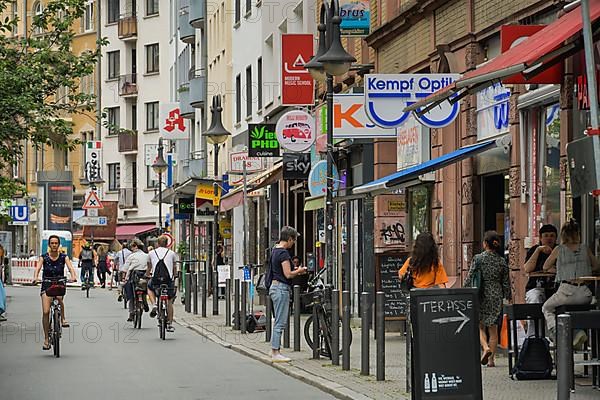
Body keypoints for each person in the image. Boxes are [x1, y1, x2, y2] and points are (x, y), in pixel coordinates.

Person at [542, 219, 600, 348]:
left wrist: (559, 269)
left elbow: (546, 266)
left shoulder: (559, 249)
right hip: (585, 295)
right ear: (578, 233)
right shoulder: (585, 248)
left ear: (563, 234)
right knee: (572, 311)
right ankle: (577, 332)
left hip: (566, 293)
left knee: (547, 307)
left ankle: (560, 334)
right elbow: (596, 266)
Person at [466, 231, 511, 367]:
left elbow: (470, 277)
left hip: (480, 294)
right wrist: (508, 296)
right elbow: (506, 283)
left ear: (485, 244)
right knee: (493, 329)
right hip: (496, 295)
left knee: (479, 325)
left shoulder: (478, 259)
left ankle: (485, 347)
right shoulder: (502, 261)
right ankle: (491, 360)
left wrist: (464, 290)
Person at [268, 226, 307, 362]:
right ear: (289, 239)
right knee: (280, 321)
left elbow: (280, 270)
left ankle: (274, 349)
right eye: (294, 240)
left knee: (278, 319)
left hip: (274, 287)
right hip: (281, 288)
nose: (294, 243)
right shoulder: (283, 253)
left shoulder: (275, 250)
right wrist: (300, 270)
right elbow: (288, 274)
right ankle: (275, 352)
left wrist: (294, 269)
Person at [32, 235, 77, 351]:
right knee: (46, 311)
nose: (54, 245)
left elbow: (71, 268)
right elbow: (37, 268)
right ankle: (46, 339)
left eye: (56, 243)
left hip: (59, 282)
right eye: (52, 243)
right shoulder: (44, 257)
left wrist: (73, 276)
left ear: (59, 245)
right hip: (47, 283)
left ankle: (62, 319)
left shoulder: (63, 257)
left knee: (59, 299)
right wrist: (35, 277)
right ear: (49, 245)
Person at [147, 235, 178, 332]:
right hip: (168, 280)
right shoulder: (172, 253)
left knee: (150, 287)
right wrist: (175, 275)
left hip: (156, 279)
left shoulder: (152, 253)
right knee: (169, 300)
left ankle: (154, 304)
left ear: (157, 243)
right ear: (167, 243)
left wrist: (148, 274)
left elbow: (149, 266)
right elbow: (174, 268)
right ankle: (169, 324)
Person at [524, 224, 558, 304]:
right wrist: (538, 250)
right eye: (546, 235)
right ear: (540, 238)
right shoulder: (533, 250)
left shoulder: (560, 250)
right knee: (535, 297)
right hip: (535, 287)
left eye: (552, 236)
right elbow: (527, 269)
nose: (549, 238)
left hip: (556, 288)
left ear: (556, 238)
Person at [122, 239, 150, 322]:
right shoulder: (146, 255)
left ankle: (131, 312)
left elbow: (125, 269)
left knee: (130, 293)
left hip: (134, 276)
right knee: (145, 288)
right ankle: (145, 302)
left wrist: (124, 277)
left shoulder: (131, 256)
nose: (131, 248)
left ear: (136, 246)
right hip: (144, 276)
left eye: (132, 246)